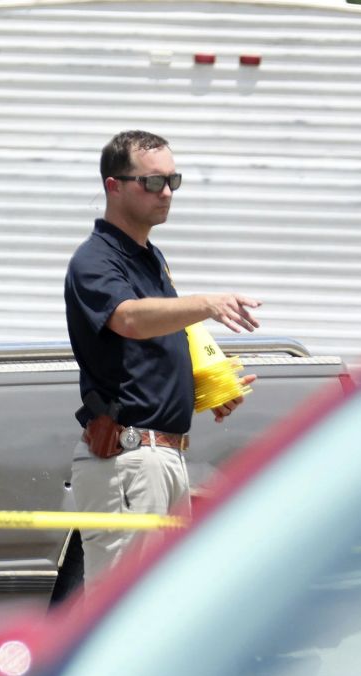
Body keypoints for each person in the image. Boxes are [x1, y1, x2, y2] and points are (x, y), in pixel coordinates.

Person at [65, 130, 261, 581]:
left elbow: (142, 355)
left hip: (161, 456)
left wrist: (202, 391)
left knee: (157, 609)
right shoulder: (95, 260)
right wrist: (206, 303)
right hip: (130, 458)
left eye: (173, 180)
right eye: (152, 182)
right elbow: (129, 320)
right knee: (123, 612)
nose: (167, 192)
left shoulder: (150, 259)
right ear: (113, 186)